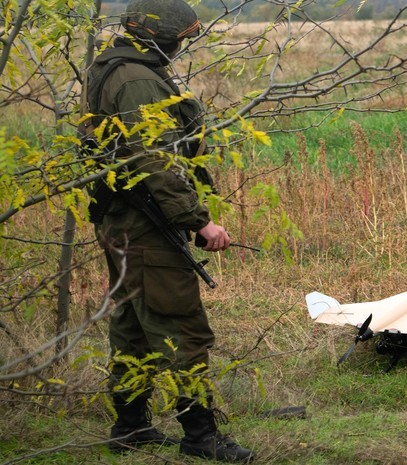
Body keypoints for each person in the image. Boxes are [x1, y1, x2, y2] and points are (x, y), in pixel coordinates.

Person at [85, 0, 252, 461]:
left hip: (125, 221)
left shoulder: (116, 65)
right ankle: (199, 436)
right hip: (145, 224)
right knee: (182, 329)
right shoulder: (137, 79)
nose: (181, 45)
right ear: (161, 36)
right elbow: (154, 160)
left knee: (134, 327)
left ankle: (130, 426)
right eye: (179, 37)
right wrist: (198, 220)